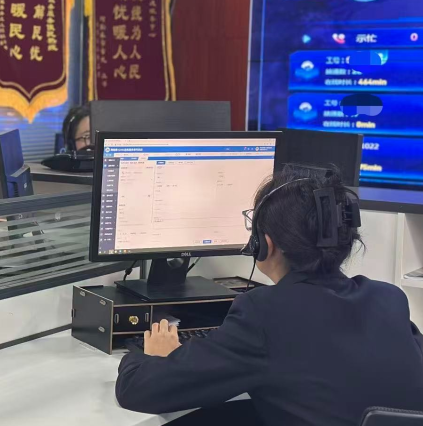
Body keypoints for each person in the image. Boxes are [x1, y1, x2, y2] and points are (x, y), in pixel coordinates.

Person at [115, 168, 423, 426]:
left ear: (264, 244)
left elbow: (136, 391)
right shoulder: (388, 299)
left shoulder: (265, 313)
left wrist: (152, 356)